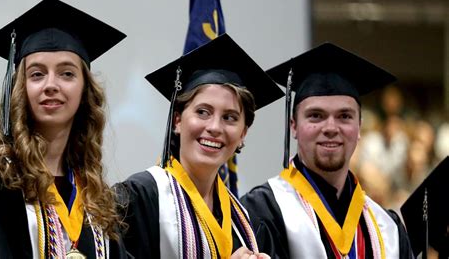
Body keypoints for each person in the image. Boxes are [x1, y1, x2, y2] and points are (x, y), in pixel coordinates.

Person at [0, 0, 129, 258]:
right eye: (37, 74)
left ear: (85, 91)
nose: (51, 85)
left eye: (66, 73)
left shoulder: (97, 198)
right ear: (20, 89)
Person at [115, 33, 284, 258]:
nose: (215, 127)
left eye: (230, 117)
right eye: (202, 112)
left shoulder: (245, 220)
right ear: (177, 120)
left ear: (243, 133)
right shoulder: (139, 199)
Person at [240, 43, 414, 259]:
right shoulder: (261, 212)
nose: (331, 128)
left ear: (359, 127)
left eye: (344, 116)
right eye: (316, 116)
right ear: (293, 125)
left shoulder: (389, 229)